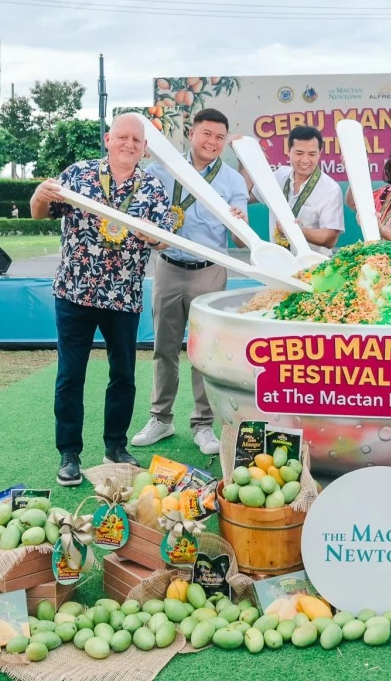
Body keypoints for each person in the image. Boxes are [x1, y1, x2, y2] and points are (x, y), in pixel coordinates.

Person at [31, 114, 177, 484]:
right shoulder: (77, 174)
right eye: (123, 137)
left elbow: (165, 238)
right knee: (70, 375)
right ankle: (69, 453)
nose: (129, 144)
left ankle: (115, 445)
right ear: (108, 139)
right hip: (75, 291)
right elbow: (42, 213)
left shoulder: (152, 187)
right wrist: (37, 196)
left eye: (137, 141)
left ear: (144, 148)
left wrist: (155, 238)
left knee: (124, 375)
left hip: (123, 296)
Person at [134, 109, 249, 456]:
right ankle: (161, 418)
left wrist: (239, 223)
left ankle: (203, 425)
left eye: (219, 137)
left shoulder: (233, 181)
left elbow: (242, 241)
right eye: (206, 134)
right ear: (192, 134)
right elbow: (144, 220)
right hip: (168, 267)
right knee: (164, 348)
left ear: (226, 141)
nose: (212, 142)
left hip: (210, 270)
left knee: (205, 352)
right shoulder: (160, 171)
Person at [240, 125, 344, 256]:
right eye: (299, 153)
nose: (305, 160)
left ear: (320, 153)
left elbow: (330, 239)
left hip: (313, 268)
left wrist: (297, 230)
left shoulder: (330, 189)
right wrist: (243, 156)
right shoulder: (279, 176)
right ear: (288, 151)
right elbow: (246, 195)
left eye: (312, 154)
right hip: (279, 263)